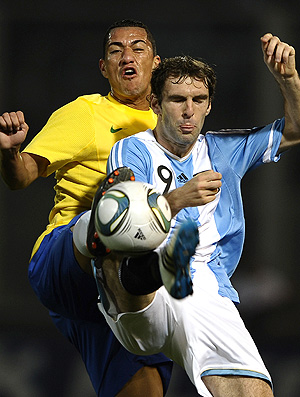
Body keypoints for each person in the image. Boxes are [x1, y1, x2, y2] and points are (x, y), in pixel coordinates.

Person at [89, 33, 300, 397]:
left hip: (204, 287)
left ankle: (172, 267)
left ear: (208, 106)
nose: (188, 110)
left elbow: (296, 130)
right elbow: (122, 225)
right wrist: (177, 200)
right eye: (178, 100)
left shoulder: (224, 150)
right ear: (155, 103)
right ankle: (160, 268)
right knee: (110, 231)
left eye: (198, 100)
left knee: (255, 392)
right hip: (142, 286)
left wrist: (288, 80)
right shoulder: (133, 150)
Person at [0, 20, 173, 397]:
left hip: (117, 293)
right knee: (123, 206)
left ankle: (123, 281)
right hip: (65, 262)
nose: (127, 55)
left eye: (138, 48)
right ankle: (108, 228)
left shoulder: (173, 124)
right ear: (104, 67)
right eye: (115, 50)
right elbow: (22, 177)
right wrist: (10, 152)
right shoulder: (86, 114)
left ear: (156, 63)